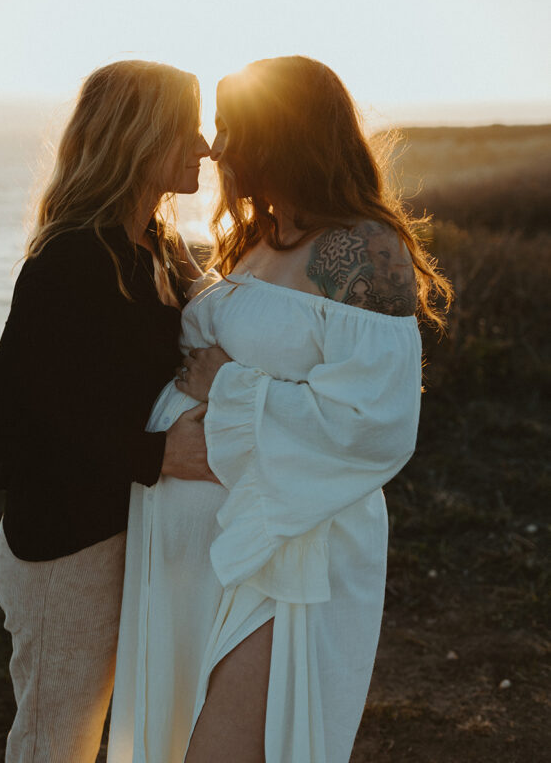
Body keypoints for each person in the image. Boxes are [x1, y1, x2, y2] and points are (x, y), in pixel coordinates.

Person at [107, 56, 452, 763]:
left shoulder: (358, 250)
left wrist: (228, 388)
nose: (216, 149)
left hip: (286, 551)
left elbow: (375, 426)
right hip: (193, 554)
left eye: (232, 130)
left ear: (282, 135)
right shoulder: (256, 240)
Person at [0, 60, 214, 763]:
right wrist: (157, 454)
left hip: (124, 532)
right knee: (56, 743)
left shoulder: (157, 248)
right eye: (186, 128)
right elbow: (10, 424)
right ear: (137, 139)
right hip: (66, 550)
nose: (204, 146)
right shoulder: (71, 259)